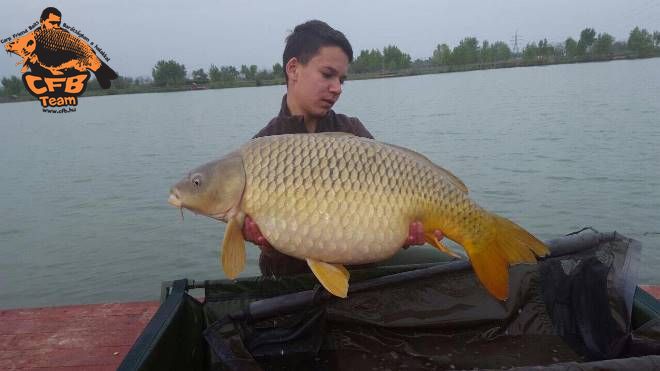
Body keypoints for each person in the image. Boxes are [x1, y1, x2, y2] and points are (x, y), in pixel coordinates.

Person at [245, 20, 437, 276]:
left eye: (341, 79)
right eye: (327, 75)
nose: (337, 88)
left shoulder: (353, 132)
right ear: (293, 69)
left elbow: (388, 213)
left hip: (362, 275)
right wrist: (268, 246)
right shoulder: (259, 151)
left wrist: (403, 235)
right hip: (291, 283)